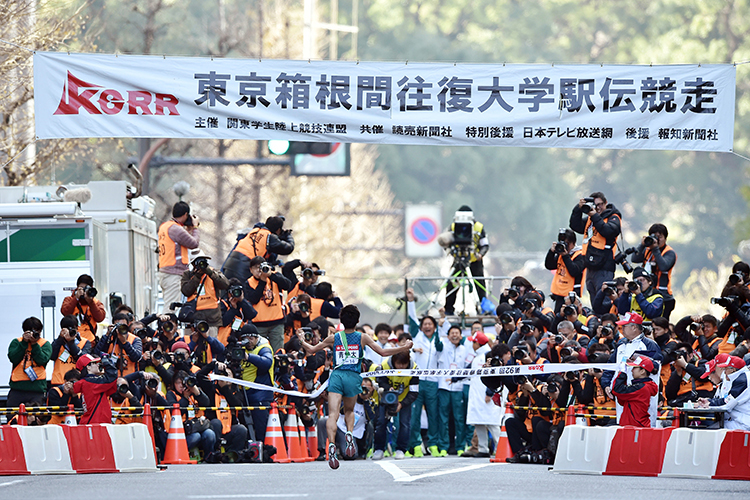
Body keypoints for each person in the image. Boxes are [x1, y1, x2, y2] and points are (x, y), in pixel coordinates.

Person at [296, 304, 412, 469]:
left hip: (336, 376)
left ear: (341, 321)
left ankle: (331, 445)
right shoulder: (362, 337)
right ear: (357, 320)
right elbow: (383, 353)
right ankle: (349, 433)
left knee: (333, 415)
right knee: (349, 411)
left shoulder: (334, 338)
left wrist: (301, 339)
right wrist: (405, 347)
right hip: (353, 377)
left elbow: (312, 349)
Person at [405, 288, 449, 457]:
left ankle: (434, 445)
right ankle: (415, 445)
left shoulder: (438, 339)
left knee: (433, 415)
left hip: (432, 382)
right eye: (425, 324)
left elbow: (440, 347)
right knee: (414, 415)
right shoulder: (417, 336)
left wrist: (442, 319)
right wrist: (410, 301)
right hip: (417, 380)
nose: (428, 326)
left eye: (431, 324)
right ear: (422, 327)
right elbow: (412, 318)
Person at [601, 312, 663, 426]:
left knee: (642, 426)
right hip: (623, 393)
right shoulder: (621, 345)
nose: (621, 329)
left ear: (634, 327)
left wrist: (642, 360)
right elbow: (610, 367)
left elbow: (657, 367)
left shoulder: (649, 344)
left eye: (624, 326)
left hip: (641, 396)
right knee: (623, 423)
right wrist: (606, 385)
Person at [569, 191, 622, 301]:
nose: (598, 208)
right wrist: (578, 208)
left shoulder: (613, 216)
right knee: (594, 299)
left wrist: (595, 216)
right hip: (590, 264)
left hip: (604, 266)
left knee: (604, 300)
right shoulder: (591, 219)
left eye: (600, 205)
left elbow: (608, 231)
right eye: (595, 205)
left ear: (606, 202)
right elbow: (575, 225)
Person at [371, 351, 420, 460]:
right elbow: (380, 380)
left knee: (405, 424)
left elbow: (414, 392)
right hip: (387, 397)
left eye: (404, 364)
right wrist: (388, 388)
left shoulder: (414, 369)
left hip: (404, 398)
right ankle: (379, 449)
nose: (402, 366)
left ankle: (401, 449)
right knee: (380, 423)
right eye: (399, 364)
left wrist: (401, 404)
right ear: (393, 361)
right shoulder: (384, 365)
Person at [443, 205, 490, 315]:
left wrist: (480, 254)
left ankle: (482, 309)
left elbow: (485, 245)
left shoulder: (478, 227)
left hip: (474, 260)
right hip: (458, 260)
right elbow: (445, 242)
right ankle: (449, 309)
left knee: (480, 285)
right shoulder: (453, 227)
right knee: (452, 283)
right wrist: (451, 251)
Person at [222, 216, 295, 286]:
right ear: (278, 230)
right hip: (244, 267)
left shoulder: (256, 230)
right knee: (244, 295)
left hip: (230, 264)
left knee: (228, 293)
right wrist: (288, 235)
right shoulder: (269, 237)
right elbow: (288, 248)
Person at [464, 331, 500, 458]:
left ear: (477, 343)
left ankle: (500, 446)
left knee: (492, 423)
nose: (471, 345)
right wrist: (454, 378)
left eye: (473, 342)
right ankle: (483, 448)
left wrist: (489, 392)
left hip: (486, 397)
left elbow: (492, 375)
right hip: (476, 396)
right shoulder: (477, 356)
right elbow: (467, 370)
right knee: (478, 422)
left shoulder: (487, 355)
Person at [158, 201, 200, 309]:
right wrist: (195, 228)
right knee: (170, 309)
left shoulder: (165, 226)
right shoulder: (176, 229)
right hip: (173, 274)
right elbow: (193, 243)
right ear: (185, 214)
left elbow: (179, 242)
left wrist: (188, 231)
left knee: (169, 305)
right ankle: (167, 325)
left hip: (165, 271)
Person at [246, 256, 293, 353]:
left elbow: (288, 285)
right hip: (258, 324)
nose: (259, 270)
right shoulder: (249, 283)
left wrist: (270, 275)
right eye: (256, 267)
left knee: (278, 352)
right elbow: (253, 299)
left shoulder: (274, 276)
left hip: (277, 322)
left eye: (261, 266)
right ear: (251, 270)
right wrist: (263, 280)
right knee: (259, 351)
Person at [236, 325, 274, 443]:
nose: (249, 341)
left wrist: (249, 357)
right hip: (244, 393)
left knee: (260, 427)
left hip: (260, 394)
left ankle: (264, 450)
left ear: (257, 337)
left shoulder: (264, 347)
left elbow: (267, 362)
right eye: (246, 338)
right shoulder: (241, 349)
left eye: (251, 338)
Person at [181, 249, 230, 339]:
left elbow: (225, 284)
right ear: (193, 264)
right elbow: (186, 291)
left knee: (211, 346)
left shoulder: (212, 272)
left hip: (212, 318)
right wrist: (197, 276)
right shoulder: (188, 274)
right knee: (192, 347)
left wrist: (210, 273)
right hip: (193, 317)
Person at [631, 223, 677, 319]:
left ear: (665, 238)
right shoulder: (648, 250)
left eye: (659, 237)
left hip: (664, 295)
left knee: (660, 324)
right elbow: (634, 258)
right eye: (654, 237)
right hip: (648, 293)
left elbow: (664, 266)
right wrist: (642, 245)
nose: (657, 240)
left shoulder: (669, 253)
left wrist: (656, 249)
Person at [167, 369, 216, 459]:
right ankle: (181, 455)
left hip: (199, 426)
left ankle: (208, 458)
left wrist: (197, 393)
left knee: (210, 434)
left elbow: (206, 403)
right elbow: (175, 411)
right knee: (196, 437)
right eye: (178, 383)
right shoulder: (171, 394)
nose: (181, 386)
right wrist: (185, 397)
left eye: (183, 382)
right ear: (174, 384)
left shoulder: (194, 392)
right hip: (183, 431)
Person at [437, 325, 469, 455]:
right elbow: (437, 341)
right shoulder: (443, 347)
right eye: (452, 333)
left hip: (458, 387)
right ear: (448, 335)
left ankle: (460, 446)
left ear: (461, 336)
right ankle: (444, 446)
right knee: (443, 418)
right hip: (444, 386)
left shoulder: (465, 349)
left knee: (459, 419)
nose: (454, 335)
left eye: (457, 333)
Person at [7, 317, 52, 407]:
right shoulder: (17, 342)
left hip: (37, 389)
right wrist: (24, 342)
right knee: (13, 418)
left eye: (36, 332)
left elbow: (42, 360)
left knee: (35, 418)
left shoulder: (44, 344)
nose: (33, 334)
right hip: (17, 388)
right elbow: (13, 358)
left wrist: (35, 344)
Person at [698, 354, 750, 430]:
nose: (724, 372)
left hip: (743, 423)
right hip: (737, 420)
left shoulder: (742, 380)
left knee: (708, 432)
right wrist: (709, 401)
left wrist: (709, 403)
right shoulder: (741, 377)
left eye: (725, 369)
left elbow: (727, 403)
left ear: (733, 369)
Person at [545, 228, 586, 314]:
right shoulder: (561, 254)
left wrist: (565, 255)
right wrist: (551, 252)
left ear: (573, 243)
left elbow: (574, 271)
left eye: (567, 244)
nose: (565, 246)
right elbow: (549, 265)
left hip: (572, 295)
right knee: (558, 318)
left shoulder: (580, 255)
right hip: (559, 294)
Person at [611, 355, 659, 427]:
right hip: (633, 425)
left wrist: (622, 374)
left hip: (636, 426)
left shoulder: (642, 387)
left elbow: (617, 390)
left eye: (634, 368)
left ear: (642, 371)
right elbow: (621, 400)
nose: (632, 370)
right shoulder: (642, 386)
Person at [60, 274, 107, 342]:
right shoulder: (69, 300)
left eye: (86, 288)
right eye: (82, 288)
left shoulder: (96, 302)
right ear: (77, 288)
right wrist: (76, 298)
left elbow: (100, 318)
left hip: (90, 341)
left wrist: (91, 302)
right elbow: (65, 312)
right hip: (71, 340)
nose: (84, 291)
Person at [74, 353, 118, 424]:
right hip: (95, 423)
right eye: (94, 363)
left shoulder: (89, 382)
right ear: (88, 367)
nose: (98, 365)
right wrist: (106, 363)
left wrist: (108, 365)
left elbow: (112, 387)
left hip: (95, 422)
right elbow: (112, 376)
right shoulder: (90, 382)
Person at [49, 315, 91, 385]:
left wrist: (71, 342)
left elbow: (82, 360)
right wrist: (60, 339)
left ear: (77, 328)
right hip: (58, 381)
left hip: (77, 381)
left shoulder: (85, 342)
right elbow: (52, 356)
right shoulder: (58, 342)